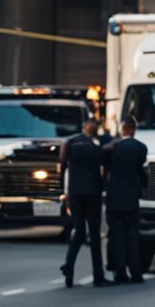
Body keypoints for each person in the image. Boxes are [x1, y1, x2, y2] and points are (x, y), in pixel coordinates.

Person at [60, 119, 107, 287]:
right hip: (92, 194)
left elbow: (64, 166)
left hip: (75, 193)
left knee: (78, 232)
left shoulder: (71, 143)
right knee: (94, 235)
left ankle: (69, 267)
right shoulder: (97, 147)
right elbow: (103, 166)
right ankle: (98, 275)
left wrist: (65, 193)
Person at [104, 117, 148, 283]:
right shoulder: (141, 148)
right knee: (132, 235)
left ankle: (120, 272)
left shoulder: (114, 148)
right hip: (131, 196)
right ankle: (136, 273)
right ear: (134, 129)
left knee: (117, 236)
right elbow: (140, 169)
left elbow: (105, 164)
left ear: (122, 129)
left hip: (115, 196)